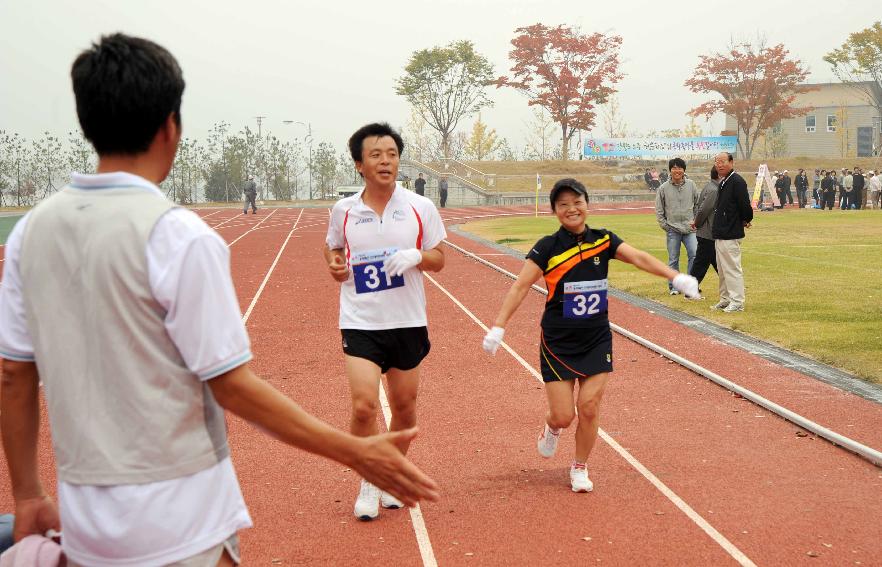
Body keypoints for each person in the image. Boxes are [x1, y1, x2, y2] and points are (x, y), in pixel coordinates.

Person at [0, 34, 439, 566]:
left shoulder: (31, 233)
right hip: (183, 517)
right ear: (170, 126)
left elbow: (13, 372)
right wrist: (354, 450)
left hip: (83, 519)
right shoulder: (178, 235)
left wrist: (26, 492)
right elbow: (230, 384)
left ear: (88, 120)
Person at [481, 178, 698, 493]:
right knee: (563, 415)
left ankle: (579, 466)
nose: (571, 209)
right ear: (555, 211)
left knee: (590, 406)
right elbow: (521, 286)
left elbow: (637, 257)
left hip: (596, 338)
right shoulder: (547, 247)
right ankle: (552, 428)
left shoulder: (603, 240)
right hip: (558, 342)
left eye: (577, 201)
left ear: (586, 204)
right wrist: (499, 325)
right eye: (563, 204)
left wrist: (675, 276)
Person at [324, 122, 446, 521]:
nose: (385, 161)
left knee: (404, 407)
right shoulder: (344, 210)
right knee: (362, 407)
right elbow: (333, 250)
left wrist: (417, 257)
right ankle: (369, 478)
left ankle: (391, 472)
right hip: (360, 319)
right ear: (359, 164)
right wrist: (336, 267)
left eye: (391, 154)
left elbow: (439, 258)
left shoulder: (419, 207)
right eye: (375, 155)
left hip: (407, 320)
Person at [711, 152, 753, 313]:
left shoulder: (737, 181)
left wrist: (745, 219)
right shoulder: (724, 182)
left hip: (730, 232)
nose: (719, 165)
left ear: (731, 162)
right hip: (721, 232)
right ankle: (725, 298)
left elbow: (745, 206)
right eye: (717, 162)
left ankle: (737, 301)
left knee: (731, 268)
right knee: (722, 269)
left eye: (722, 161)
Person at [654, 157, 699, 296]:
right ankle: (674, 287)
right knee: (673, 259)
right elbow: (659, 210)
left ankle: (690, 286)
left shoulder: (691, 185)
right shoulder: (663, 188)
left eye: (679, 168)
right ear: (670, 170)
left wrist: (695, 221)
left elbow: (698, 204)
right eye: (674, 168)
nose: (677, 170)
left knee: (694, 255)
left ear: (684, 170)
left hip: (690, 229)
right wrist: (666, 226)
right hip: (672, 229)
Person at [689, 166, 720, 292]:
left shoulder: (709, 186)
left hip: (707, 232)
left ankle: (730, 286)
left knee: (715, 262)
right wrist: (697, 222)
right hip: (707, 232)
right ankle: (690, 289)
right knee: (701, 263)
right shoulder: (714, 190)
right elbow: (704, 209)